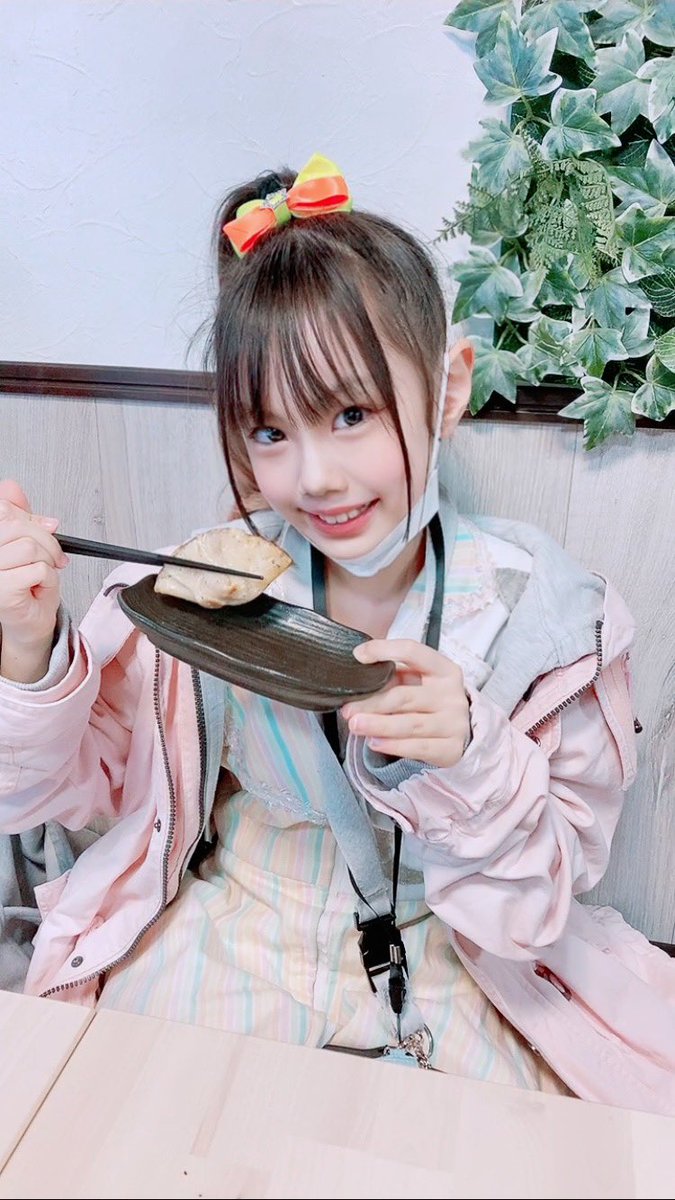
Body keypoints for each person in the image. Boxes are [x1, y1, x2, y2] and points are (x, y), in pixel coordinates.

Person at [1, 154, 674, 1113]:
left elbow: (533, 912)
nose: (313, 478)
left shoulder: (545, 619)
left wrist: (472, 758)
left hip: (460, 958)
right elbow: (64, 799)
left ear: (448, 389)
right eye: (270, 433)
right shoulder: (197, 589)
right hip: (226, 931)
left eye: (351, 414)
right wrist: (28, 650)